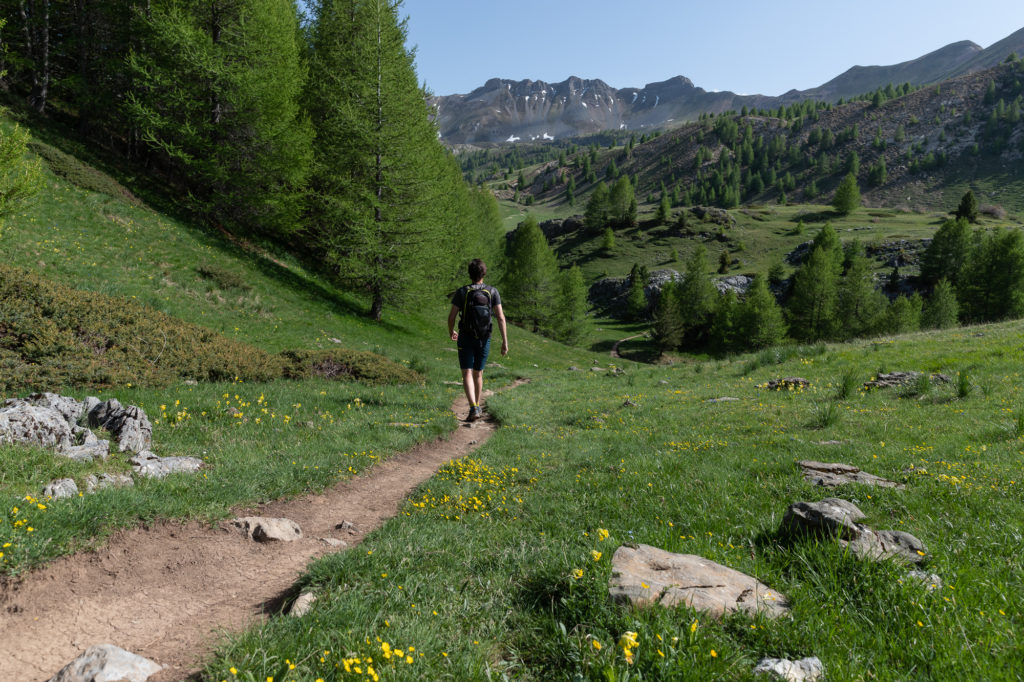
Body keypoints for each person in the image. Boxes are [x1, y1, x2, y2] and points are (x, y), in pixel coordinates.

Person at [448, 258, 508, 421]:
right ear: (484, 273)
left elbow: (452, 316)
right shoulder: (492, 291)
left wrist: (451, 331)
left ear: (470, 274)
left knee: (467, 372)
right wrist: (504, 341)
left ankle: (473, 407)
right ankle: (477, 407)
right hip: (484, 337)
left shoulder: (462, 292)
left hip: (465, 336)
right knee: (478, 373)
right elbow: (501, 317)